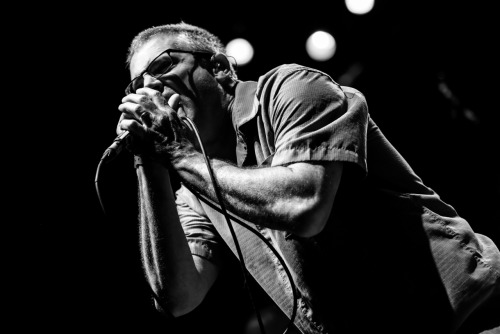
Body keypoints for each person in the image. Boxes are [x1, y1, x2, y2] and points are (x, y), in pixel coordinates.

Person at [116, 21, 500, 334]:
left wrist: (177, 154)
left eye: (163, 66)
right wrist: (147, 164)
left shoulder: (292, 89)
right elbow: (179, 296)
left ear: (218, 67)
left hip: (470, 317)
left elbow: (304, 206)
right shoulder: (194, 186)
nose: (149, 88)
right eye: (137, 85)